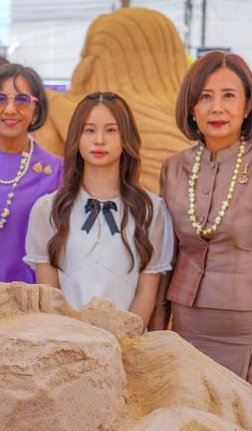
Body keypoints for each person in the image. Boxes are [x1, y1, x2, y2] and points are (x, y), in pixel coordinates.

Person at [155, 52, 252, 415]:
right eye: (205, 97)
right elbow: (165, 259)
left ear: (248, 105)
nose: (217, 108)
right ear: (191, 107)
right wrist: (157, 331)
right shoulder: (173, 169)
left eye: (228, 96)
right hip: (188, 330)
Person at [25, 92, 172, 320]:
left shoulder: (151, 210)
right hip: (66, 337)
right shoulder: (48, 209)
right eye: (89, 130)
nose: (99, 140)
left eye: (111, 130)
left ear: (126, 137)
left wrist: (123, 335)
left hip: (128, 338)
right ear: (76, 137)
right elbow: (49, 293)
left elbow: (147, 293)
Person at [0, 63, 62, 283]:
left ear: (36, 109)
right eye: (0, 99)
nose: (10, 109)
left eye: (22, 100)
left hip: (33, 297)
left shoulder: (57, 171)